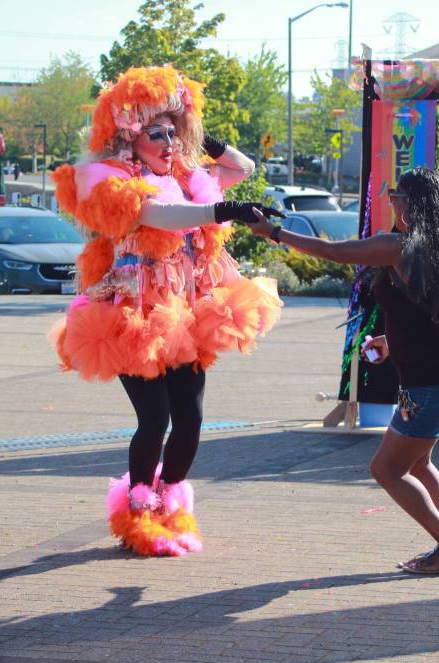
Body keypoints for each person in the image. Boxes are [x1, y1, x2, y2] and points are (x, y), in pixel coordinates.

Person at [49, 65, 282, 557]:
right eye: (156, 133)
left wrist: (203, 135)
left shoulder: (186, 177)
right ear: (131, 139)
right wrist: (223, 211)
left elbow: (243, 168)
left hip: (184, 315)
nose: (169, 142)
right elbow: (159, 217)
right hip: (131, 317)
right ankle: (137, 512)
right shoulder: (113, 182)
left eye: (173, 133)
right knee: (154, 420)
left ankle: (168, 500)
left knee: (192, 421)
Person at [249, 167, 439, 575]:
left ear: (409, 203)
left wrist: (275, 233)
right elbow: (432, 315)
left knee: (385, 469)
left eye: (395, 195)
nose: (391, 201)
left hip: (433, 384)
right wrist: (391, 341)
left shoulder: (401, 247)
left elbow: (335, 252)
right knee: (418, 463)